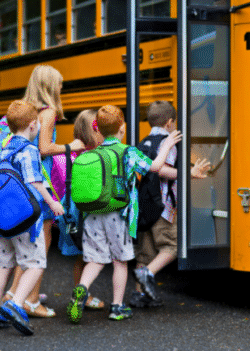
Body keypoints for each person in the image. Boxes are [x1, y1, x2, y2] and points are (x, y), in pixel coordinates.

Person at [66, 105, 182, 323]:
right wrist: (166, 145)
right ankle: (117, 307)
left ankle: (81, 288)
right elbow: (156, 167)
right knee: (120, 262)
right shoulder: (128, 152)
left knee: (95, 260)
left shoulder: (94, 152)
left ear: (98, 130)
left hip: (92, 214)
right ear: (123, 128)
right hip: (117, 215)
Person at [4, 65, 86, 317]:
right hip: (42, 177)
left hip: (23, 177)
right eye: (59, 84)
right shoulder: (48, 112)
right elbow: (44, 148)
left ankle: (13, 293)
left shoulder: (28, 109)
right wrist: (70, 146)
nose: (61, 88)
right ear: (50, 86)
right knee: (43, 238)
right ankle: (30, 300)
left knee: (29, 240)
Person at [0, 100, 64, 336]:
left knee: (3, 265)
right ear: (32, 125)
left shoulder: (3, 148)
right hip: (25, 220)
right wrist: (52, 202)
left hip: (1, 219)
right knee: (36, 263)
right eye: (38, 123)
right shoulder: (28, 150)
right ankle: (16, 303)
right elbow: (34, 182)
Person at [130, 100, 210, 308]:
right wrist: (189, 173)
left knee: (145, 252)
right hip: (162, 206)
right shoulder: (169, 141)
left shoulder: (144, 142)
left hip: (143, 204)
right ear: (170, 122)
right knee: (172, 245)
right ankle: (147, 274)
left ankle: (140, 294)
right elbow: (163, 170)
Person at [55, 109, 105, 309]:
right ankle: (83, 294)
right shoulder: (93, 156)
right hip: (87, 212)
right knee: (89, 256)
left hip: (72, 213)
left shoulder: (75, 153)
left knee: (81, 256)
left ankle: (80, 292)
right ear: (94, 131)